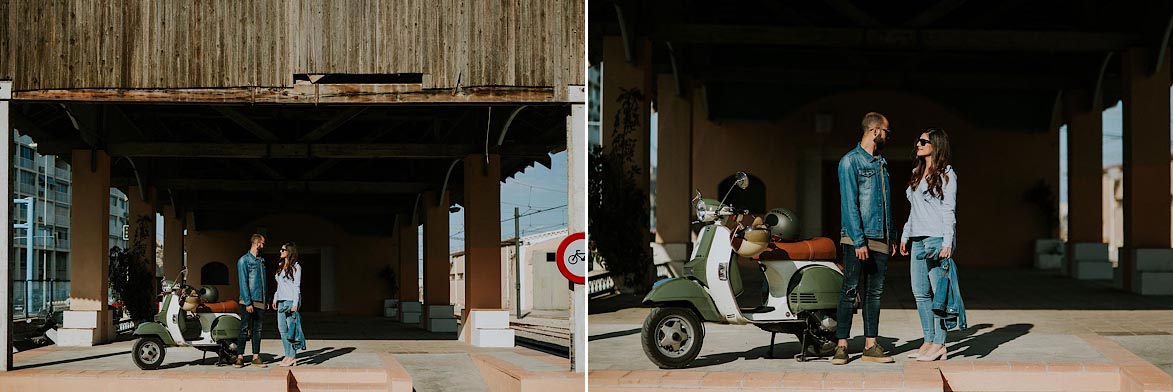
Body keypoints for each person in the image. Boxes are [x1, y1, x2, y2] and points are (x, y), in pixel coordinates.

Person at [832, 112, 896, 365]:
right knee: (849, 290)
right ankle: (842, 346)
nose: (888, 137)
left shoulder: (881, 163)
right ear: (875, 131)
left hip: (880, 236)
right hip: (856, 237)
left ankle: (871, 345)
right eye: (887, 132)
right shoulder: (850, 161)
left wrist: (891, 235)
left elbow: (885, 202)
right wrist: (859, 241)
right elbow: (849, 204)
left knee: (875, 293)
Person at [899, 128, 958, 362]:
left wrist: (947, 242)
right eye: (918, 141)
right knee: (920, 293)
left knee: (938, 295)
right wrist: (905, 235)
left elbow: (948, 211)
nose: (919, 144)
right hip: (917, 239)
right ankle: (928, 341)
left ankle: (940, 343)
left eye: (924, 141)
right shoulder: (917, 172)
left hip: (935, 239)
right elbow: (915, 210)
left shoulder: (947, 174)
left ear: (936, 145)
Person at [234, 234, 268, 368]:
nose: (264, 246)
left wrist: (267, 299)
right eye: (263, 243)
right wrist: (248, 302)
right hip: (247, 300)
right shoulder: (243, 260)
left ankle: (256, 356)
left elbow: (263, 282)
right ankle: (239, 357)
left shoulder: (261, 261)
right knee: (244, 328)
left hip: (260, 300)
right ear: (257, 243)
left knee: (258, 330)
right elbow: (243, 282)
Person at [272, 242, 306, 367]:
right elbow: (279, 285)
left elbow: (296, 287)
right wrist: (275, 298)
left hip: (291, 301)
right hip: (281, 301)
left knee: (291, 331)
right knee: (282, 330)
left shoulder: (296, 267)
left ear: (289, 252)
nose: (280, 252)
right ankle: (287, 354)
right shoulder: (281, 266)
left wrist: (295, 304)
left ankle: (292, 356)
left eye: (283, 250)